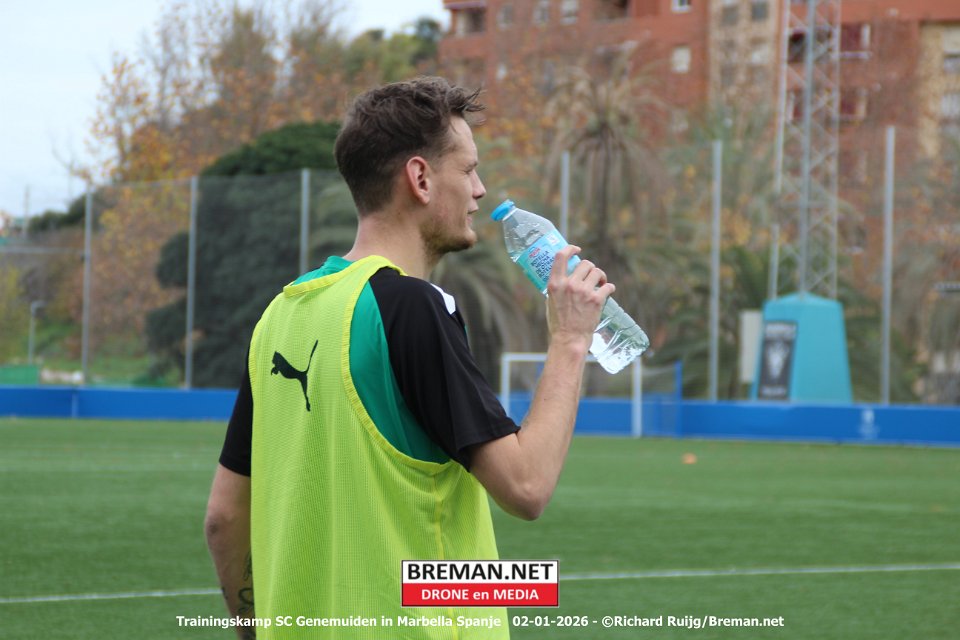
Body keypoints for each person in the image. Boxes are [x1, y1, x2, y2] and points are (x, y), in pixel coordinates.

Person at [204, 76, 615, 639]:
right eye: (468, 170)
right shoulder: (412, 308)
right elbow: (526, 486)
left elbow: (224, 519)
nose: (479, 190)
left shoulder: (280, 315)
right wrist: (570, 340)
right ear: (420, 178)